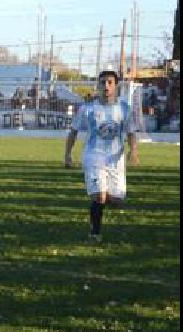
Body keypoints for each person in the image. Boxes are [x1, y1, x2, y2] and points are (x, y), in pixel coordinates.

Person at [64, 70, 140, 242]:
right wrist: (68, 155)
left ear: (116, 86)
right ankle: (95, 233)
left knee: (117, 201)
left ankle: (100, 201)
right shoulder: (87, 108)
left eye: (110, 82)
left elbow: (131, 133)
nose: (106, 86)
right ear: (97, 85)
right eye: (103, 82)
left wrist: (133, 151)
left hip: (116, 159)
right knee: (100, 196)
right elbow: (73, 132)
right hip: (94, 156)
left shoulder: (123, 109)